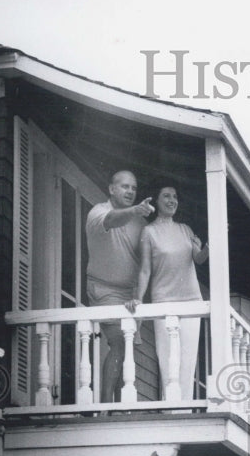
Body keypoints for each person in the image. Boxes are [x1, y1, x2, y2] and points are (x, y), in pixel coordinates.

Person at [131, 185, 208, 403]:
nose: (172, 200)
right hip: (164, 301)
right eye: (166, 196)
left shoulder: (185, 230)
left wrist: (209, 246)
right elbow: (145, 269)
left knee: (187, 362)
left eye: (175, 196)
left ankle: (184, 411)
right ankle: (170, 409)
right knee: (167, 362)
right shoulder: (149, 232)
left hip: (191, 301)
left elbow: (199, 259)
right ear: (156, 200)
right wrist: (139, 296)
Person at [86, 170, 154, 402]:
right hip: (104, 290)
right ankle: (105, 405)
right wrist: (135, 210)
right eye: (125, 187)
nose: (130, 192)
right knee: (118, 341)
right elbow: (113, 220)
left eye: (134, 188)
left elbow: (147, 260)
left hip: (131, 294)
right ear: (111, 189)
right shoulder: (99, 211)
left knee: (125, 349)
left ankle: (117, 405)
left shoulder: (141, 223)